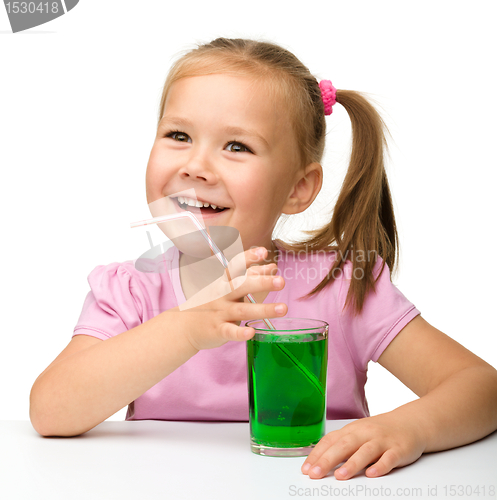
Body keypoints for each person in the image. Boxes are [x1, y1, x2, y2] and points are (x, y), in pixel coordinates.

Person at [29, 37, 497, 481]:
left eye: (237, 146)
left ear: (297, 188)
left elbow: (481, 388)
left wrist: (408, 429)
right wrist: (185, 329)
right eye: (178, 135)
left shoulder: (339, 286)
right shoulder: (132, 293)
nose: (195, 166)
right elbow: (51, 411)